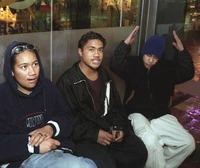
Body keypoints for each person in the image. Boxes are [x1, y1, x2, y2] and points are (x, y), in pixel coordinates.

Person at [0, 41, 96, 168]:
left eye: (35, 64)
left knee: (90, 164)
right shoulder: (0, 97)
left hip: (56, 151)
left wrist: (50, 128)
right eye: (24, 67)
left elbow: (67, 117)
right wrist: (32, 145)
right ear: (11, 70)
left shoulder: (48, 88)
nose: (32, 72)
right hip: (20, 158)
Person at [56, 31, 148, 168]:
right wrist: (94, 134)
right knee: (106, 164)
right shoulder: (68, 81)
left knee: (139, 152)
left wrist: (118, 126)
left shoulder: (105, 76)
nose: (97, 55)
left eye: (100, 50)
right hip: (83, 137)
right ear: (80, 52)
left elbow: (116, 106)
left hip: (107, 127)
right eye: (91, 49)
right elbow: (67, 120)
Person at [110, 26, 196, 168]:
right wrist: (125, 45)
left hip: (161, 115)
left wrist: (182, 52)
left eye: (155, 57)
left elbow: (188, 73)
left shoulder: (167, 68)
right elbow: (115, 64)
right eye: (148, 55)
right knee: (150, 141)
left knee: (188, 143)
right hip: (137, 114)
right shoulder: (133, 65)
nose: (150, 60)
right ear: (143, 52)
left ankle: (159, 165)